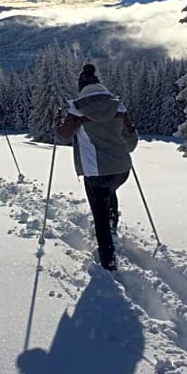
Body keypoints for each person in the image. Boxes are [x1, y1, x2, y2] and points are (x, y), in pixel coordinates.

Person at [55, 63, 138, 272]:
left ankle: (108, 262)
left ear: (81, 87)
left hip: (95, 171)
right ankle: (113, 228)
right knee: (110, 193)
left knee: (99, 213)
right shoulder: (119, 107)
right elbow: (132, 142)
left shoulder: (77, 110)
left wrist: (58, 121)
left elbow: (62, 137)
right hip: (121, 170)